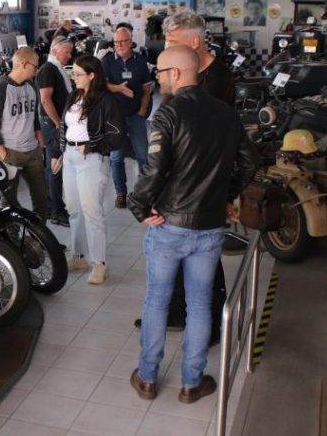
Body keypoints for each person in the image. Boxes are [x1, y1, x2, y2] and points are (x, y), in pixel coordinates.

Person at [127, 46, 257, 404]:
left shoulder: (168, 113)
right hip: (210, 226)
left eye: (160, 72)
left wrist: (139, 206)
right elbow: (250, 161)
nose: (158, 79)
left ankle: (147, 378)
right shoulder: (226, 113)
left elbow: (154, 170)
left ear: (176, 73)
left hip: (168, 224)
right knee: (200, 304)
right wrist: (227, 195)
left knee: (157, 300)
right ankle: (191, 383)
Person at [51, 56, 128, 285]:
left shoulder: (105, 100)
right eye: (72, 73)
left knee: (92, 211)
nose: (73, 78)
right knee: (74, 209)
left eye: (78, 74)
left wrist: (92, 145)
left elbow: (117, 135)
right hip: (70, 157)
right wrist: (57, 151)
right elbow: (63, 126)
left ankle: (99, 263)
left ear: (92, 75)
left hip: (92, 159)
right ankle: (78, 256)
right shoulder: (74, 96)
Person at [0, 46, 48, 222]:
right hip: (11, 152)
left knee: (41, 197)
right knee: (9, 202)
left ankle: (39, 234)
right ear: (23, 63)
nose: (37, 71)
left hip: (33, 151)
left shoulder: (32, 85)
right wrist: (3, 155)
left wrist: (38, 133)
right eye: (35, 66)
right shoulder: (0, 90)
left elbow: (34, 114)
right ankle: (10, 236)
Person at [101, 26, 154, 208]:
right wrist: (119, 88)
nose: (120, 45)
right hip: (115, 118)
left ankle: (144, 194)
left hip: (136, 115)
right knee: (116, 158)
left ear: (131, 42)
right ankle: (121, 194)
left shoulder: (140, 61)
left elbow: (147, 90)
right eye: (116, 42)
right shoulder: (107, 61)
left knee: (143, 156)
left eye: (123, 41)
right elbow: (102, 85)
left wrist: (142, 111)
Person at [36, 37, 74, 227]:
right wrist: (58, 123)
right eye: (67, 52)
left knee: (54, 166)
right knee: (55, 166)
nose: (70, 55)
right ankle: (56, 211)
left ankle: (51, 206)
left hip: (57, 122)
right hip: (52, 124)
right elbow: (45, 100)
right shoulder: (48, 70)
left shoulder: (56, 68)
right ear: (54, 50)